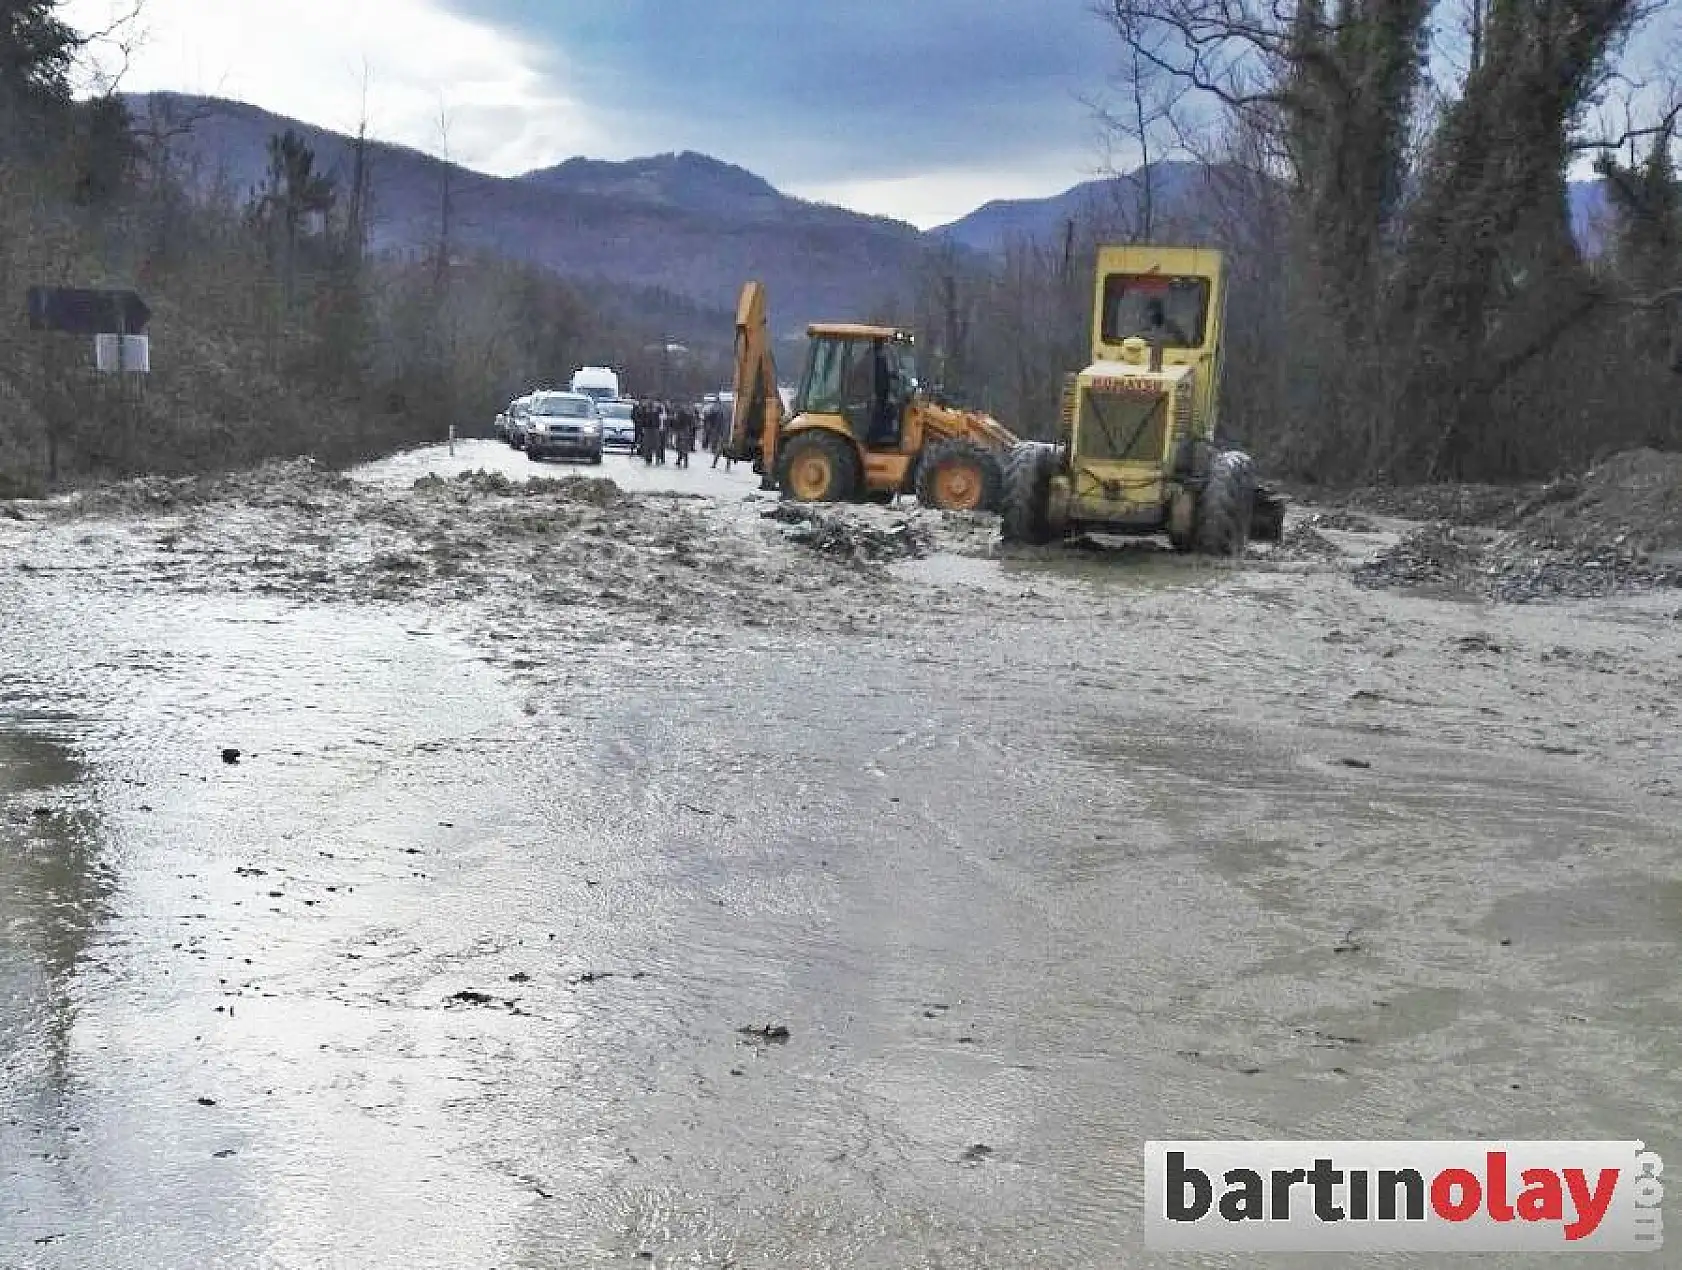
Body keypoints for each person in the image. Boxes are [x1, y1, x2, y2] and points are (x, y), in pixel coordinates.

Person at [705, 398, 732, 470]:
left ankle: (715, 464)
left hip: (724, 433)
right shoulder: (731, 411)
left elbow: (718, 423)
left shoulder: (722, 412)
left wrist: (716, 431)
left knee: (720, 449)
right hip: (728, 434)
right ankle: (727, 466)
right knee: (727, 450)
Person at [672, 402, 698, 468]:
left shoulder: (680, 413)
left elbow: (677, 422)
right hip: (686, 431)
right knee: (683, 447)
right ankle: (682, 461)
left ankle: (683, 461)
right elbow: (692, 423)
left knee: (680, 446)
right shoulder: (689, 413)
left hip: (681, 431)